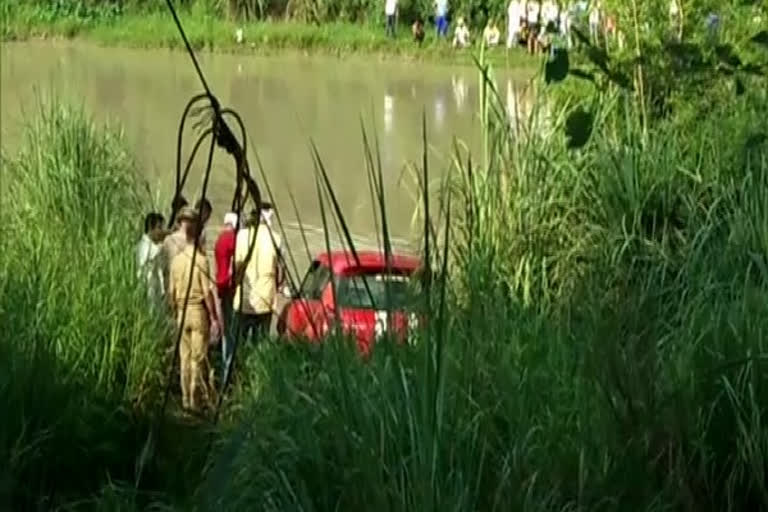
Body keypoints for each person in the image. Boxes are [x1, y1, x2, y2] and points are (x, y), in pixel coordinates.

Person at [168, 206, 220, 413]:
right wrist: (214, 317)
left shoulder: (176, 262)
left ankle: (185, 401)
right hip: (198, 311)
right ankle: (195, 400)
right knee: (197, 359)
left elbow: (171, 294)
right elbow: (207, 292)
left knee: (184, 358)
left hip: (181, 312)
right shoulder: (201, 261)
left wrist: (174, 312)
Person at [233, 204, 281, 345]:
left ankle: (237, 365)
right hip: (266, 298)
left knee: (238, 341)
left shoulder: (242, 236)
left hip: (244, 297)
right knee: (261, 341)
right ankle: (257, 366)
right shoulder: (276, 238)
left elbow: (237, 267)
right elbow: (280, 271)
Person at [214, 212, 238, 374]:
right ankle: (227, 366)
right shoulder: (232, 240)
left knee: (225, 327)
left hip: (220, 286)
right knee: (230, 330)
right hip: (229, 287)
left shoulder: (219, 239)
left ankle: (224, 363)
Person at [136, 212, 166, 305]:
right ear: (150, 228)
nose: (161, 231)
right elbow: (141, 268)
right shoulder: (143, 245)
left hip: (155, 289)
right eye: (159, 228)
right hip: (148, 289)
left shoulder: (154, 245)